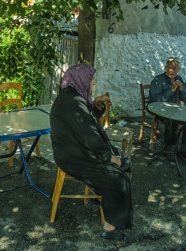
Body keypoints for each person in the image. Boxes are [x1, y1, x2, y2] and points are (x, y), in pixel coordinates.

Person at [50, 64, 132, 246]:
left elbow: (86, 121)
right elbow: (89, 136)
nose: (93, 83)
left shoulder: (73, 97)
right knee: (118, 178)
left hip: (75, 151)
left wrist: (96, 105)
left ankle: (107, 198)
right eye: (91, 79)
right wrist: (110, 157)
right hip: (73, 157)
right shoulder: (73, 102)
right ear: (81, 80)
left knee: (120, 167)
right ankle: (110, 229)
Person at [149, 57, 186, 160]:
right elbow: (156, 100)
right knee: (172, 120)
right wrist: (171, 90)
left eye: (175, 68)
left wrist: (181, 90)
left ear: (179, 69)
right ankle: (169, 147)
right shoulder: (158, 80)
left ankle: (183, 149)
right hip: (157, 108)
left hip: (174, 109)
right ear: (165, 68)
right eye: (170, 67)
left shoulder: (179, 79)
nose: (172, 70)